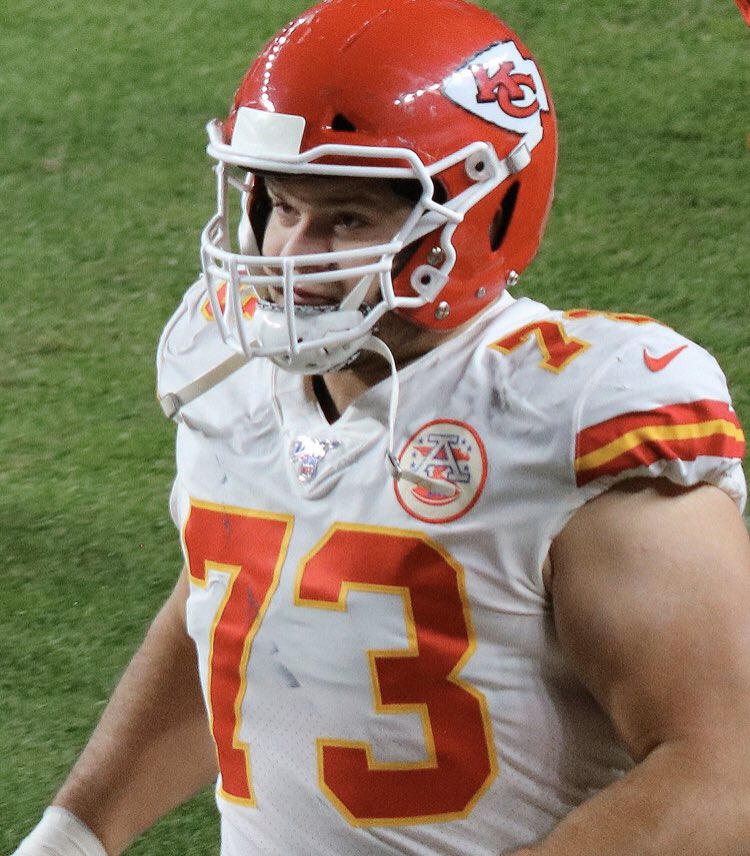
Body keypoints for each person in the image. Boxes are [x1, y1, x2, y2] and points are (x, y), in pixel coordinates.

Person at [12, 0, 750, 854]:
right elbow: (239, 613)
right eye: (283, 206)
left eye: (348, 219)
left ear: (481, 214)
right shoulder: (231, 366)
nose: (292, 257)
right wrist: (72, 835)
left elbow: (724, 772)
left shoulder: (573, 412)